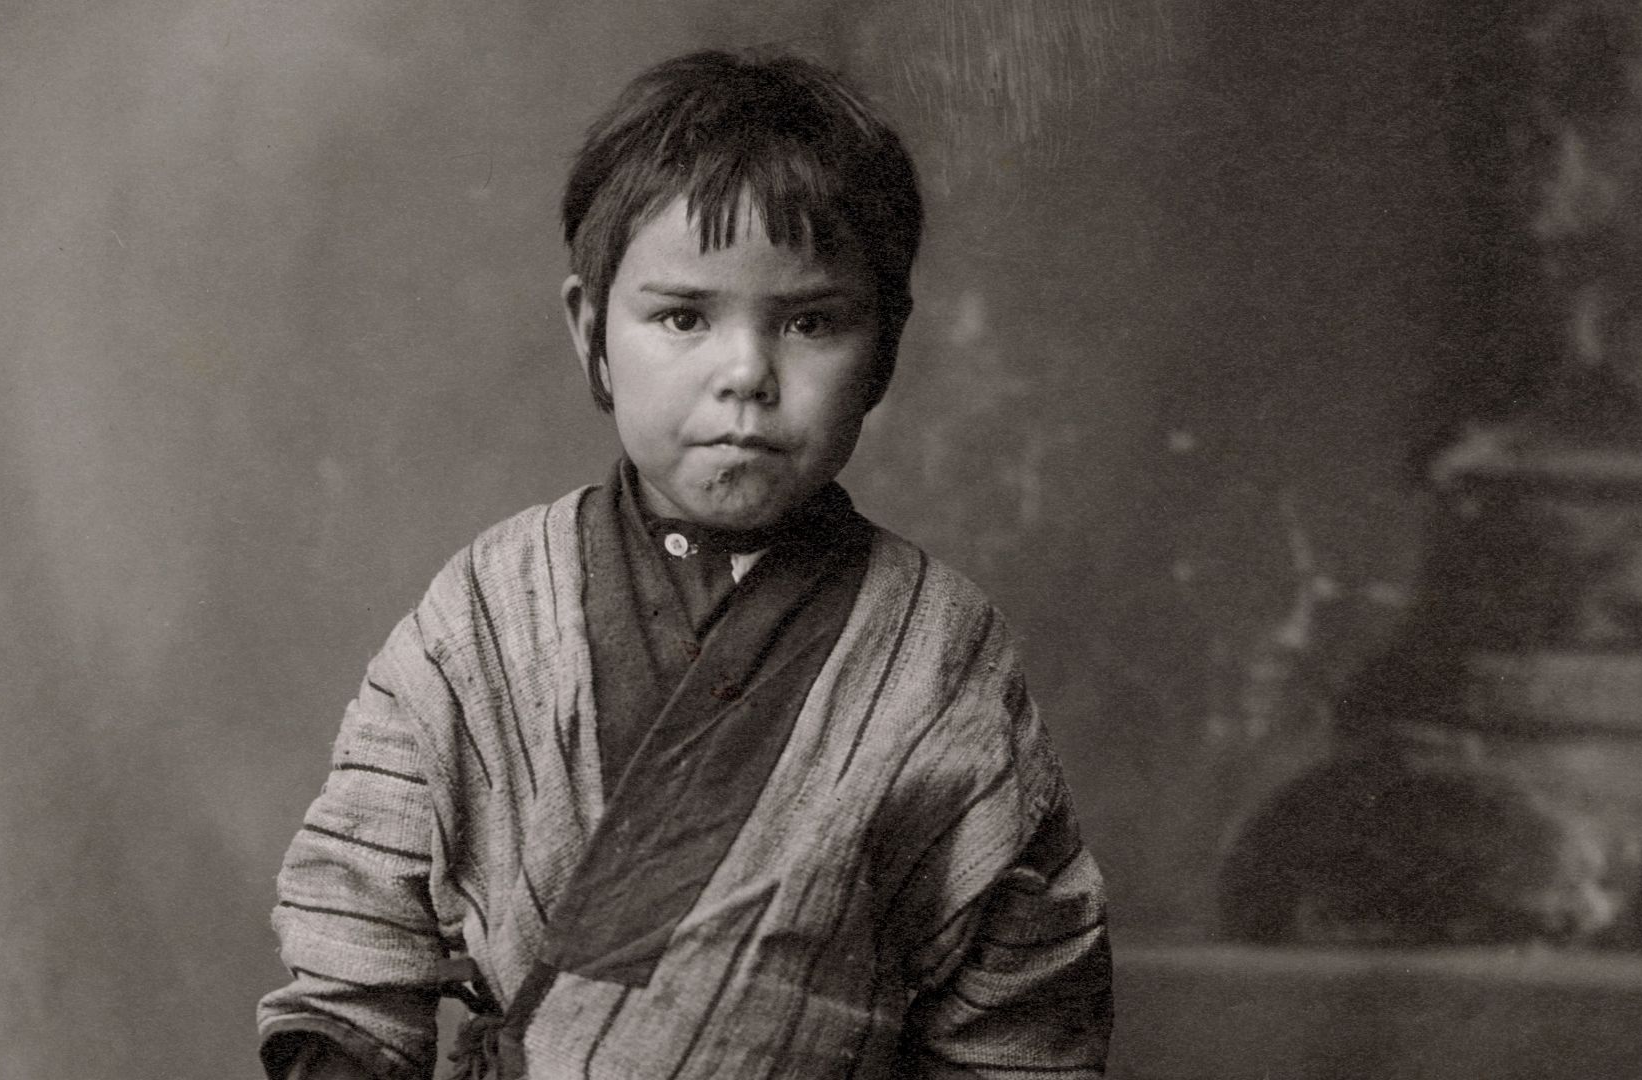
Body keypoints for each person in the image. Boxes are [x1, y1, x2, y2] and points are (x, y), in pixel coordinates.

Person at [256, 48, 1112, 1080]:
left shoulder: (938, 648)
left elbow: (1021, 1003)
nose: (746, 373)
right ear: (593, 336)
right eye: (684, 317)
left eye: (809, 321)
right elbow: (356, 927)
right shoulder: (486, 610)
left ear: (883, 349)